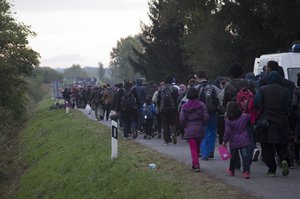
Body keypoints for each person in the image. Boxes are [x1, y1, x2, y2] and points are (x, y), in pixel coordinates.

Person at [254, 71, 291, 177]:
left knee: (267, 147)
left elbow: (257, 103)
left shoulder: (262, 89)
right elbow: (288, 107)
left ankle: (271, 170)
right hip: (281, 122)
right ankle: (284, 160)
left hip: (266, 123)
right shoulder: (286, 90)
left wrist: (260, 112)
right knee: (281, 144)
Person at [179, 87, 209, 172]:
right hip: (199, 128)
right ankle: (194, 163)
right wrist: (203, 123)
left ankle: (196, 164)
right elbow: (206, 117)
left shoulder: (184, 106)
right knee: (197, 147)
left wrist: (185, 126)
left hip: (189, 128)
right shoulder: (201, 105)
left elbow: (182, 118)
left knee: (193, 148)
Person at [223, 102, 254, 179]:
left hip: (233, 141)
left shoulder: (228, 120)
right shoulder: (244, 116)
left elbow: (227, 132)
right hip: (244, 139)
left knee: (233, 157)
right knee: (245, 157)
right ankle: (246, 172)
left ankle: (231, 170)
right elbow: (251, 119)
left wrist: (224, 141)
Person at [195, 71, 221, 160]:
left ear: (197, 78)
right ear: (206, 76)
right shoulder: (213, 87)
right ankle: (211, 152)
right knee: (212, 132)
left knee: (202, 132)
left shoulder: (197, 87)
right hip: (213, 112)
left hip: (201, 114)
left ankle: (204, 154)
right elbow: (221, 96)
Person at [157, 75, 179, 145]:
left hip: (163, 109)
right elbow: (176, 99)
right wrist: (176, 108)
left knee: (165, 124)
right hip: (172, 109)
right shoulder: (174, 89)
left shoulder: (160, 89)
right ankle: (173, 133)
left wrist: (159, 107)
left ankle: (166, 140)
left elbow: (158, 100)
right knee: (173, 123)